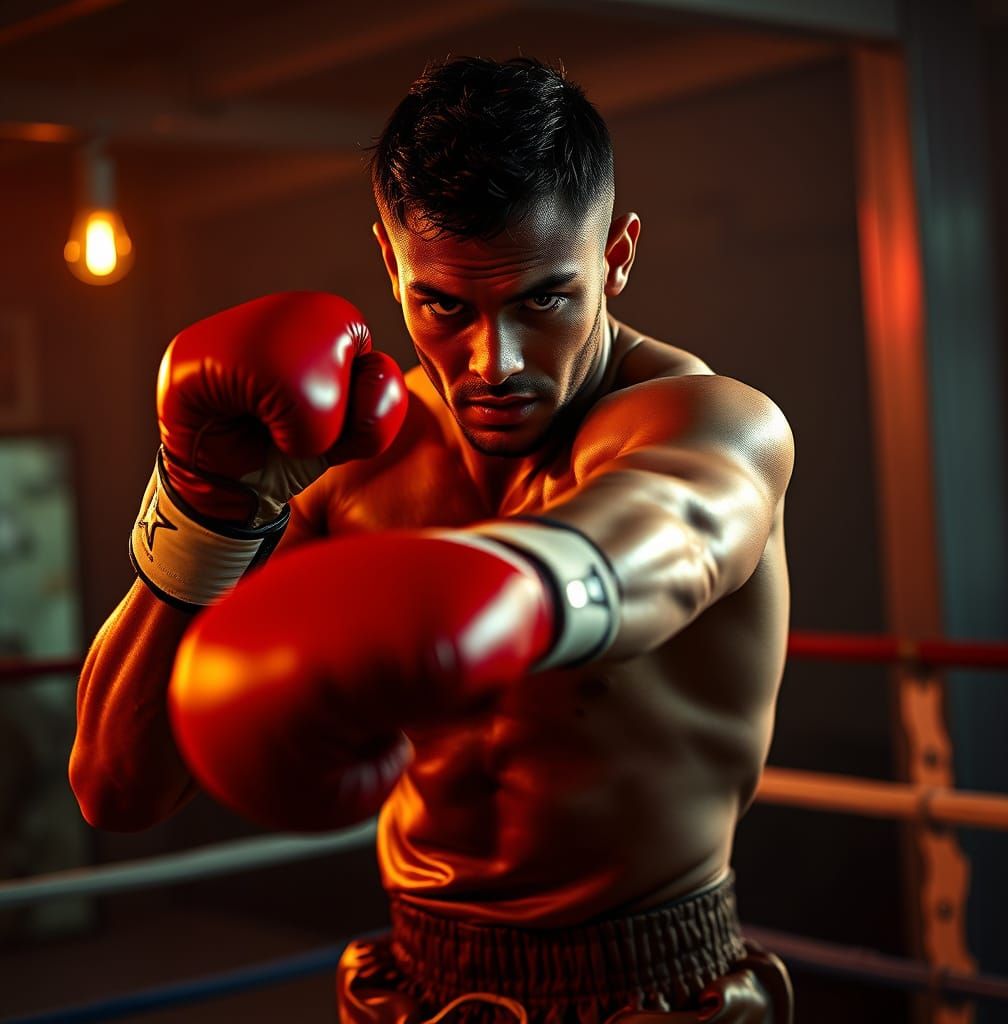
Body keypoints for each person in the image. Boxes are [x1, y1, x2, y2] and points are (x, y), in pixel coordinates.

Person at [71, 57, 795, 1024]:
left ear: (617, 255)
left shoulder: (713, 425)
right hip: (417, 982)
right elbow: (116, 788)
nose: (493, 363)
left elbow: (677, 531)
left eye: (544, 299)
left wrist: (507, 593)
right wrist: (206, 511)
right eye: (445, 306)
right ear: (390, 262)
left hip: (652, 983)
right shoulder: (351, 466)